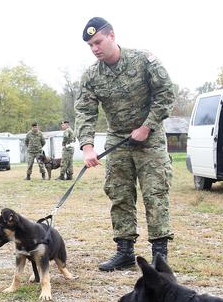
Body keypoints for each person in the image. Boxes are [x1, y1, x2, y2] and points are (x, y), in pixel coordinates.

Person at [75, 17, 176, 271]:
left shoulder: (143, 60)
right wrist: (87, 146)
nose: (95, 48)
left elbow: (166, 93)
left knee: (155, 194)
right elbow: (85, 111)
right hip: (117, 140)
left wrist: (147, 126)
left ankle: (159, 255)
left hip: (149, 138)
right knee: (119, 194)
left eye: (98, 42)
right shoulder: (91, 75)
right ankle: (125, 252)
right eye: (90, 45)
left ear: (112, 36)